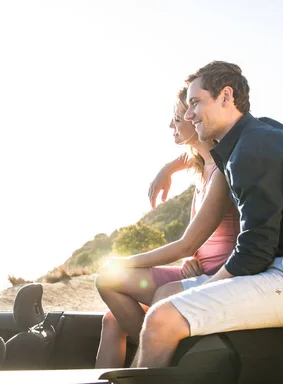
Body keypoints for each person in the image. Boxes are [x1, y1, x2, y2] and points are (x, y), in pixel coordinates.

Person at [133, 61, 283, 368]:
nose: (188, 114)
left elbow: (254, 250)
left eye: (195, 103)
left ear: (225, 96)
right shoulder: (256, 134)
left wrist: (206, 287)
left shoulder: (254, 149)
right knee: (165, 300)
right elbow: (203, 150)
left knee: (162, 318)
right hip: (282, 270)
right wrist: (171, 166)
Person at [94, 87, 239, 368]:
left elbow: (186, 244)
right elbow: (192, 155)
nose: (172, 124)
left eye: (177, 118)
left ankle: (164, 353)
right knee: (112, 320)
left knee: (110, 278)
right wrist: (167, 169)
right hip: (197, 267)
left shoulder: (220, 171)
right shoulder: (202, 160)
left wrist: (122, 263)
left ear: (194, 119)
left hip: (217, 276)